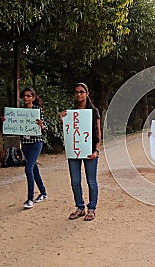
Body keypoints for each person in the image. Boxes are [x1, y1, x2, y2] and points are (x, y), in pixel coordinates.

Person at [60, 83, 101, 221]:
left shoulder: (93, 111)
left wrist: (96, 150)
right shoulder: (71, 113)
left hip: (89, 151)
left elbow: (98, 132)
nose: (79, 94)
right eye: (77, 92)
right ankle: (80, 207)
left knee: (91, 181)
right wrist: (63, 120)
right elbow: (68, 132)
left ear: (87, 93)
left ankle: (92, 208)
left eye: (82, 92)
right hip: (74, 151)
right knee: (75, 181)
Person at [17, 88, 48, 209]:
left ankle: (30, 199)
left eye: (29, 96)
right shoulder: (19, 111)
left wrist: (41, 125)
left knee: (28, 168)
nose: (26, 98)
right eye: (24, 96)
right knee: (34, 168)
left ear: (33, 98)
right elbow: (13, 126)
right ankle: (43, 192)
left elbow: (46, 129)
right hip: (25, 143)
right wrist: (6, 121)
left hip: (36, 143)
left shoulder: (37, 111)